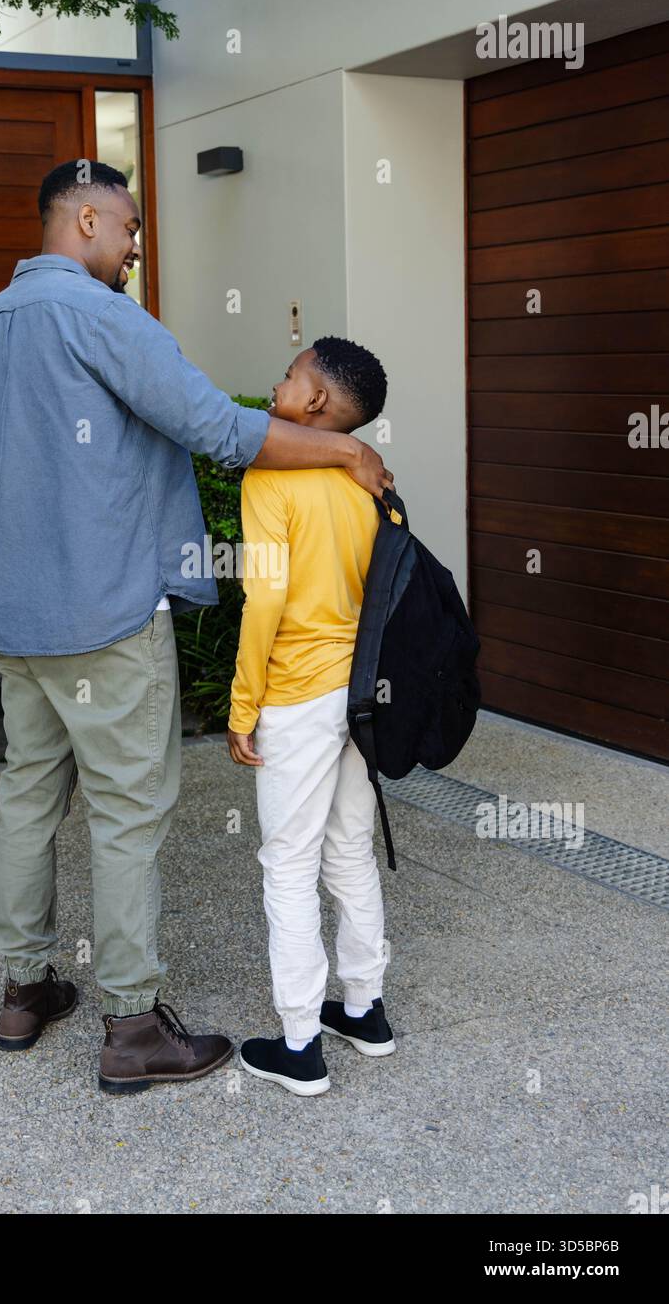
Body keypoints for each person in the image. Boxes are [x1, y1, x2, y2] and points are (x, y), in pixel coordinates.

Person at [0, 160, 393, 1096]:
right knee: (126, 813)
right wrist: (346, 445)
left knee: (29, 796)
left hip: (17, 620)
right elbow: (220, 432)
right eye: (132, 228)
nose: (138, 245)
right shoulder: (106, 319)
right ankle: (133, 1024)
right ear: (90, 217)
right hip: (107, 616)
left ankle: (25, 991)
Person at [227, 338, 395, 1097]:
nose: (276, 380)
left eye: (289, 373)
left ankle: (299, 1044)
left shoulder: (270, 475)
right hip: (363, 694)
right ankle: (362, 1008)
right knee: (349, 849)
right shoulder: (370, 480)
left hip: (298, 692)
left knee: (287, 865)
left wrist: (241, 705)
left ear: (316, 404)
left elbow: (263, 598)